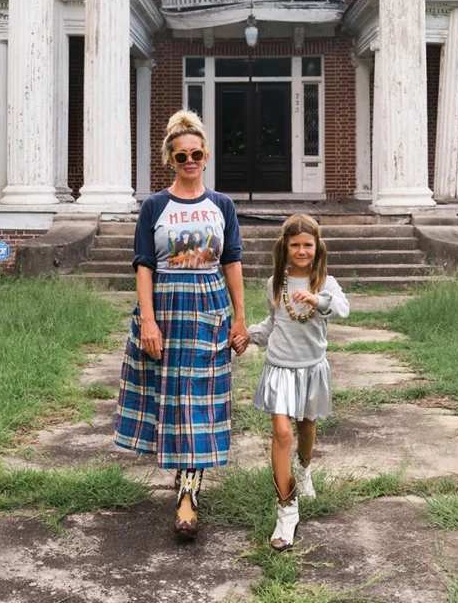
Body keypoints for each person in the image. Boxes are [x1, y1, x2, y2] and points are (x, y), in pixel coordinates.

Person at [114, 109, 248, 539]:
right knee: (172, 401)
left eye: (196, 153)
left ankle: (188, 495)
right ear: (170, 160)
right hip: (166, 310)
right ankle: (184, 482)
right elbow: (144, 266)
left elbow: (232, 262)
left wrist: (240, 318)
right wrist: (148, 321)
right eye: (181, 156)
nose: (189, 161)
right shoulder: (154, 205)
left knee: (200, 404)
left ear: (206, 156)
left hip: (208, 307)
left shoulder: (221, 205)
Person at [232, 214, 350, 552]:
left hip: (311, 369)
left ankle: (304, 467)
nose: (301, 250)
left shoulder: (325, 282)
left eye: (307, 245)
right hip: (280, 369)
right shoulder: (275, 283)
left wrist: (318, 299)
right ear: (285, 246)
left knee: (306, 427)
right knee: (282, 432)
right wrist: (246, 336)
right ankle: (287, 509)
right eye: (295, 244)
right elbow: (273, 324)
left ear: (317, 247)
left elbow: (342, 308)